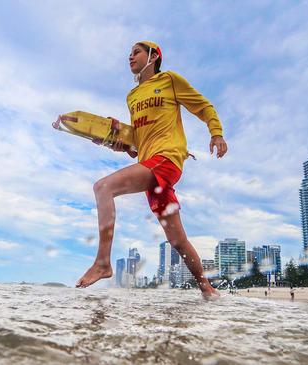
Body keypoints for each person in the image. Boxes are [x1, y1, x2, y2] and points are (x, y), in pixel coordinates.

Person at [75, 41, 228, 300]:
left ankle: (103, 263)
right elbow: (137, 141)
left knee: (103, 187)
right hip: (149, 165)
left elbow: (203, 106)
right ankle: (207, 289)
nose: (130, 56)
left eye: (136, 52)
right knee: (177, 240)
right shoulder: (131, 96)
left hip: (166, 159)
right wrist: (113, 140)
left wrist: (217, 133)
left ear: (153, 56)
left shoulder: (169, 80)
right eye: (129, 53)